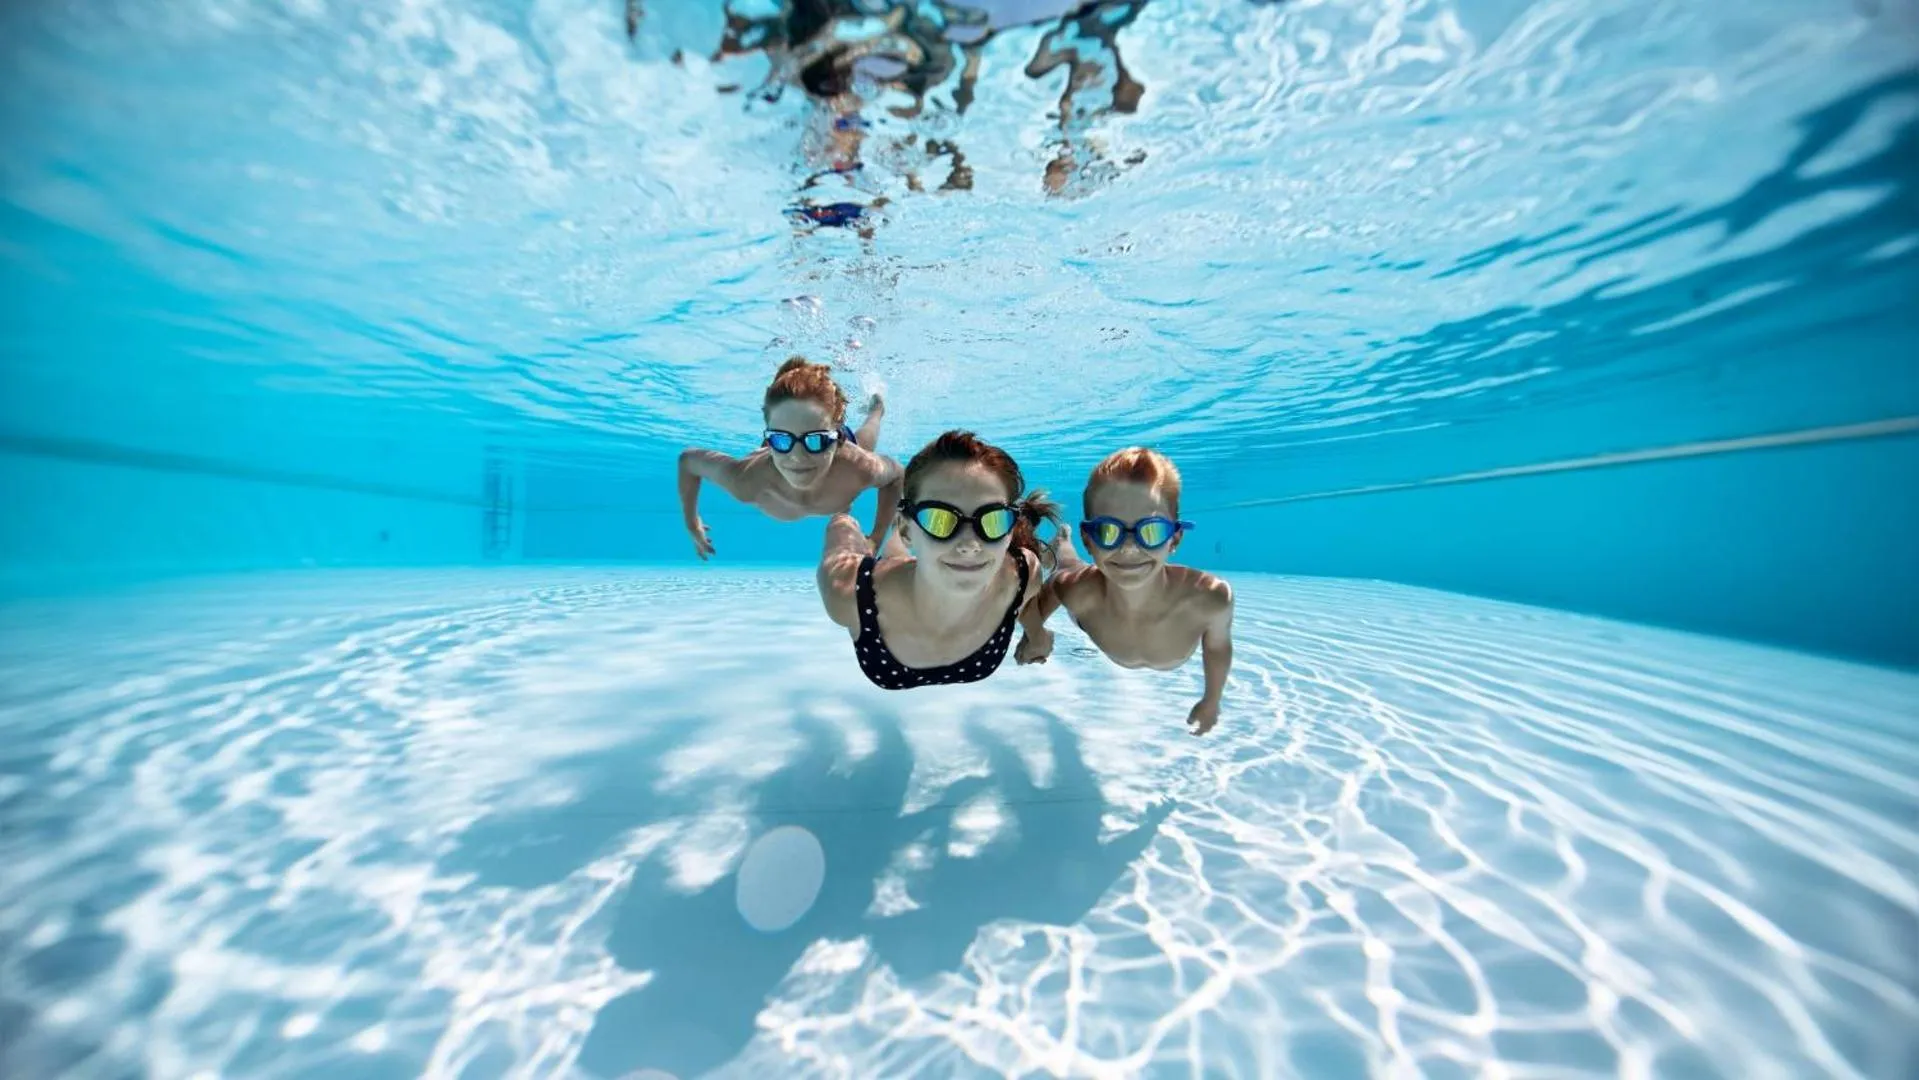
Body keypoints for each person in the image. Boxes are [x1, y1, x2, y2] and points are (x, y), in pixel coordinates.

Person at [1015, 447, 1235, 735]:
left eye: (1151, 530)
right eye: (1108, 531)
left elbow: (1217, 647)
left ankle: (1069, 542)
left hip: (1093, 581)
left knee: (1073, 569)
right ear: (1089, 539)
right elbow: (1028, 604)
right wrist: (1035, 636)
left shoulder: (1210, 598)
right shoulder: (1077, 591)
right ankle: (1064, 542)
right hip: (1086, 588)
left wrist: (1212, 700)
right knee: (1065, 567)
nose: (1130, 548)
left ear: (1175, 538)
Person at [817, 430, 1059, 689]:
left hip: (915, 558)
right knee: (843, 524)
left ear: (1010, 531)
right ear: (908, 530)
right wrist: (844, 517)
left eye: (992, 520)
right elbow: (838, 548)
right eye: (939, 520)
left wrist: (1037, 635)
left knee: (905, 556)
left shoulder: (1022, 574)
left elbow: (1023, 604)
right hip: (889, 573)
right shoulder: (847, 593)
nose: (969, 545)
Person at [678, 357, 900, 559]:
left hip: (841, 459)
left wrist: (875, 540)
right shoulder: (745, 480)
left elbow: (896, 475)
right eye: (781, 440)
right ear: (768, 438)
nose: (797, 457)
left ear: (838, 438)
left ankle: (877, 407)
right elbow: (687, 461)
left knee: (871, 426)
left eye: (816, 440)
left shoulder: (859, 467)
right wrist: (691, 522)